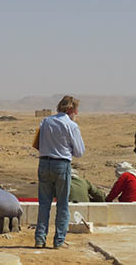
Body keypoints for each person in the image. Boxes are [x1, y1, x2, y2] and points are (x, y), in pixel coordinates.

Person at [33, 95, 85, 249]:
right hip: (61, 164)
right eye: (76, 110)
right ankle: (59, 240)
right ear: (70, 109)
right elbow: (79, 151)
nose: (76, 112)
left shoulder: (46, 121)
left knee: (44, 204)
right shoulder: (71, 125)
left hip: (44, 163)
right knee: (62, 205)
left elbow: (38, 143)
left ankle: (40, 239)